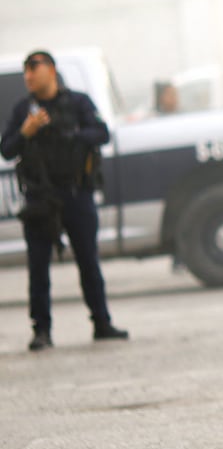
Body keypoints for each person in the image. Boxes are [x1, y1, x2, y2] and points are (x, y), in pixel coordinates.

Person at [0, 50, 129, 351]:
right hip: (40, 199)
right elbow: (6, 149)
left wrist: (71, 134)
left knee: (88, 261)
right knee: (38, 268)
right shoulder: (24, 110)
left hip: (76, 194)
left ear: (52, 70)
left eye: (34, 67)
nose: (28, 75)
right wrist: (26, 131)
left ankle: (101, 322)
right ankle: (41, 331)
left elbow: (102, 133)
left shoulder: (78, 103)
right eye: (26, 70)